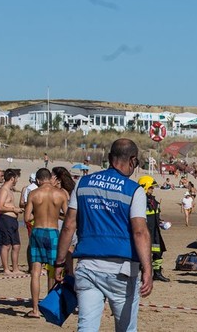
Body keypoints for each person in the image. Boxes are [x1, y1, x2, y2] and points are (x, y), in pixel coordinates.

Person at [54, 138, 153, 332]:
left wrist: (59, 262)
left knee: (86, 326)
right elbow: (139, 231)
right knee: (125, 328)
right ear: (133, 160)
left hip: (87, 265)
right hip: (122, 269)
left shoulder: (83, 183)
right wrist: (148, 268)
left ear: (109, 158)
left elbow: (68, 226)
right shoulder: (134, 190)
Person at [24, 168, 68, 318]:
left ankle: (35, 309)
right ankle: (51, 306)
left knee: (35, 272)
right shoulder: (60, 194)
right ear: (50, 178)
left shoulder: (34, 194)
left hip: (38, 231)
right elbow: (68, 216)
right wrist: (56, 216)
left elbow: (26, 218)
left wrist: (38, 213)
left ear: (37, 180)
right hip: (53, 232)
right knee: (55, 270)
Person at [137, 176, 170, 282]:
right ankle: (141, 273)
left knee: (158, 252)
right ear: (145, 187)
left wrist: (161, 223)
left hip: (155, 231)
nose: (152, 189)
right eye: (151, 187)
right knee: (143, 253)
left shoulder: (153, 201)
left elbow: (156, 215)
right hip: (145, 232)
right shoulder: (139, 202)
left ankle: (157, 273)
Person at [0, 169, 23, 274]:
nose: (17, 180)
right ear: (12, 178)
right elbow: (0, 207)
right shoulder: (4, 190)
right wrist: (14, 209)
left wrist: (17, 209)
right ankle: (6, 269)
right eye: (16, 178)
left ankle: (16, 268)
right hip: (6, 220)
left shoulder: (10, 190)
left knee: (16, 245)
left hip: (13, 220)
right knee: (6, 245)